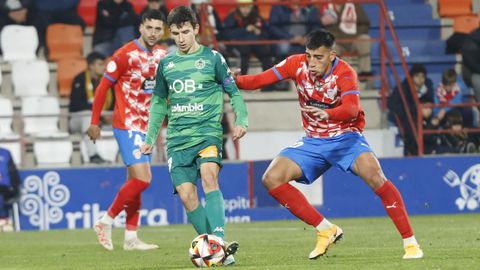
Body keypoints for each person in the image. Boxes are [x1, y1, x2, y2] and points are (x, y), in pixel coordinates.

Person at [234, 29, 424, 260]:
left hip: (346, 138)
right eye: (309, 56)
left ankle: (411, 243)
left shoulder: (345, 72)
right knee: (271, 179)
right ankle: (326, 229)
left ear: (332, 55)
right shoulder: (296, 64)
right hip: (313, 142)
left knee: (376, 178)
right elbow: (259, 80)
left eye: (319, 57)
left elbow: (351, 109)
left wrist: (328, 114)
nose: (312, 63)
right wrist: (234, 80)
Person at [140, 6, 248, 266]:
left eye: (185, 32)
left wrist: (241, 119)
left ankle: (219, 243)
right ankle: (216, 249)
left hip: (208, 133)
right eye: (176, 33)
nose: (181, 38)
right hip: (177, 140)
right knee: (188, 196)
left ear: (196, 30)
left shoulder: (214, 59)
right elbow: (158, 103)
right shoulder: (166, 64)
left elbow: (233, 92)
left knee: (209, 176)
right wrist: (150, 136)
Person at [87, 9, 168, 251]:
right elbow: (103, 88)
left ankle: (131, 238)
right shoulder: (124, 55)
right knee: (144, 179)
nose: (153, 33)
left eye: (157, 29)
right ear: (140, 27)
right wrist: (94, 121)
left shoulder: (164, 55)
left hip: (148, 128)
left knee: (135, 181)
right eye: (149, 27)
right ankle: (105, 221)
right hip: (127, 125)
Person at [69, 52, 113, 164]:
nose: (103, 67)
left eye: (104, 64)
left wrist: (109, 114)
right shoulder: (80, 79)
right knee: (88, 117)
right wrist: (99, 112)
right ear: (91, 66)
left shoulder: (108, 81)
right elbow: (76, 105)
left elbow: (114, 103)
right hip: (77, 119)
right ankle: (93, 155)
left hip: (102, 120)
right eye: (100, 64)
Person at [387, 64, 434, 156]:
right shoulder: (403, 87)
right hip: (408, 117)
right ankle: (412, 152)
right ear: (412, 77)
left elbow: (431, 100)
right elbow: (391, 104)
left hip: (426, 116)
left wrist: (428, 108)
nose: (420, 79)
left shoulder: (428, 85)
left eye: (422, 76)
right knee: (411, 126)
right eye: (417, 76)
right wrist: (412, 111)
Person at [0, 147, 20, 232]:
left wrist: (14, 187)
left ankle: (3, 221)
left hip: (5, 188)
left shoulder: (5, 153)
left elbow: (13, 173)